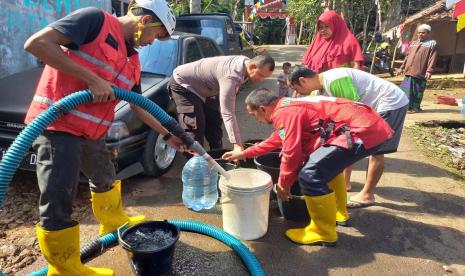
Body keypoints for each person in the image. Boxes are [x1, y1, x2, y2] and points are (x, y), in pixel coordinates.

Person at [23, 1, 180, 274]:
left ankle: (113, 222)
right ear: (145, 22)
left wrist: (167, 133)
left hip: (92, 132)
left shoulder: (132, 59)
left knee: (106, 177)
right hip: (58, 124)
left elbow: (137, 104)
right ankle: (64, 269)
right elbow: (37, 44)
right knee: (59, 197)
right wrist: (92, 79)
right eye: (157, 35)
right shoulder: (94, 20)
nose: (153, 42)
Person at [223, 89, 393, 246]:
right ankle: (339, 213)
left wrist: (284, 184)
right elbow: (278, 139)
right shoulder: (288, 105)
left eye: (254, 116)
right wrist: (244, 153)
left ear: (262, 109)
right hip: (369, 125)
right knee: (328, 168)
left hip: (361, 130)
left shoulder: (285, 113)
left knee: (310, 174)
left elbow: (291, 152)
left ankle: (323, 232)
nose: (257, 121)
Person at [288, 66, 409, 207]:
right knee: (346, 140)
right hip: (373, 105)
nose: (297, 93)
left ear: (302, 81)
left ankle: (367, 195)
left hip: (390, 103)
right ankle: (345, 183)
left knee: (376, 150)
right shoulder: (318, 88)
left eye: (296, 89)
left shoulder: (335, 80)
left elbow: (354, 113)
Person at [169, 55, 275, 152]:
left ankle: (217, 154)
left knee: (215, 120)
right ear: (252, 66)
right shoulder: (231, 75)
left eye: (264, 77)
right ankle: (196, 163)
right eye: (260, 75)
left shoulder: (245, 64)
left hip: (207, 87)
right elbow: (228, 113)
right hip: (184, 84)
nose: (261, 80)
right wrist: (237, 144)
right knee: (195, 126)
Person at [398, 23, 438, 113]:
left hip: (420, 72)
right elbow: (407, 56)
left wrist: (429, 70)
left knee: (417, 91)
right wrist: (402, 67)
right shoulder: (413, 43)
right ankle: (407, 107)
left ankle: (416, 108)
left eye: (423, 33)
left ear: (428, 33)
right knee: (405, 90)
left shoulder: (432, 43)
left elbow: (433, 58)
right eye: (419, 33)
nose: (420, 34)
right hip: (408, 71)